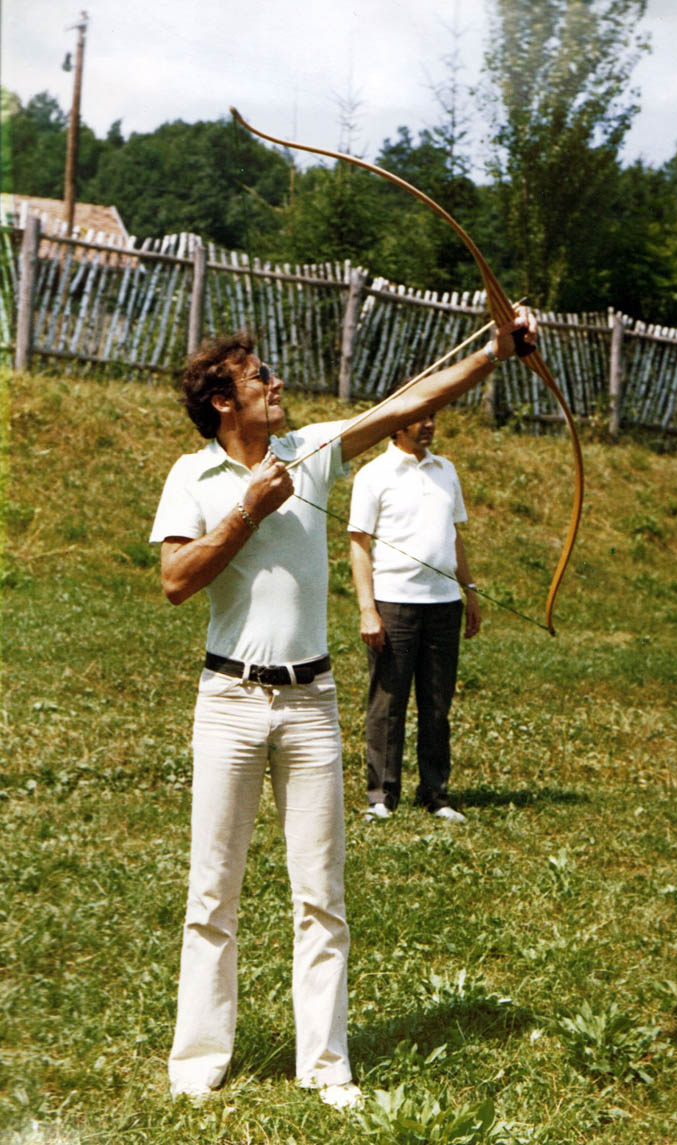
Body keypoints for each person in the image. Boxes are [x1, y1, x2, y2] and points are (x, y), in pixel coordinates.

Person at [148, 310, 536, 1109]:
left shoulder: (312, 450)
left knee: (320, 892)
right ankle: (198, 1061)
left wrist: (497, 349)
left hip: (311, 701)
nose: (276, 383)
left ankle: (325, 1064)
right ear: (223, 402)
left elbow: (407, 402)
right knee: (212, 891)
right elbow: (177, 580)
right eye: (259, 377)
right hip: (228, 699)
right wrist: (250, 508)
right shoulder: (192, 476)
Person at [348, 409, 480, 824]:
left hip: (443, 605)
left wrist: (470, 592)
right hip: (394, 605)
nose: (428, 425)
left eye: (432, 417)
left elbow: (454, 536)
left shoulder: (446, 470)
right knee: (388, 703)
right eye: (419, 418)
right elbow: (358, 544)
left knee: (437, 704)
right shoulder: (374, 473)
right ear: (397, 424)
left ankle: (436, 794)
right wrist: (368, 610)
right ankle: (381, 796)